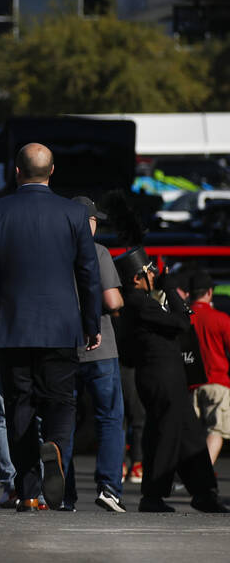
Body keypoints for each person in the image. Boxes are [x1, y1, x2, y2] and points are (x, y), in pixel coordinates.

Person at [0, 143, 102, 512]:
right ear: (52, 171)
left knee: (19, 407)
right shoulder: (73, 213)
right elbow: (88, 274)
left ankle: (27, 490)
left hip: (12, 328)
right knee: (61, 401)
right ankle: (55, 445)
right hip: (61, 326)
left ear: (17, 172)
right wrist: (92, 322)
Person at [116, 250, 227, 512]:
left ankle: (204, 492)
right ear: (136, 277)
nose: (154, 275)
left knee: (190, 436)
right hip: (161, 378)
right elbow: (182, 322)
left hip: (166, 377)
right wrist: (173, 292)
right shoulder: (138, 302)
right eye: (149, 271)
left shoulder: (138, 302)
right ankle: (153, 494)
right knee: (166, 435)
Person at [63, 196, 128, 513]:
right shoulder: (98, 252)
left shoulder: (54, 254)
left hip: (61, 348)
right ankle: (109, 488)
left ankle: (64, 492)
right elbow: (113, 301)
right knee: (110, 419)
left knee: (63, 422)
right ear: (86, 221)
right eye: (94, 220)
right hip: (100, 350)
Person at [184, 270, 230, 467]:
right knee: (216, 431)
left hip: (189, 382)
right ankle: (203, 472)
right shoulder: (221, 319)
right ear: (209, 292)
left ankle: (188, 472)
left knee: (191, 432)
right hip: (217, 381)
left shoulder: (183, 318)